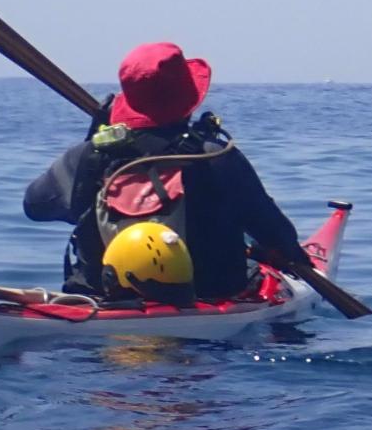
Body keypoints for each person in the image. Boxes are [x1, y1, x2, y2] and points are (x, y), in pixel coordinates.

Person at [23, 42, 310, 303]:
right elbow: (276, 234)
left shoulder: (88, 156)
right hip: (209, 303)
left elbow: (35, 207)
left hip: (99, 300)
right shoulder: (216, 156)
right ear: (187, 101)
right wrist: (293, 259)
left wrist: (92, 140)